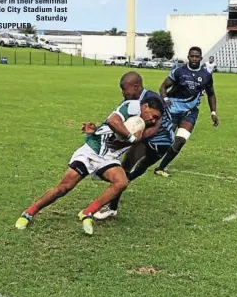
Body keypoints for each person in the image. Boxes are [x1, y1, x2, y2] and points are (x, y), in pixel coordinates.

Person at [15, 96, 164, 235]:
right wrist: (130, 137)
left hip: (109, 158)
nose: (152, 120)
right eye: (153, 116)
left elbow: (124, 132)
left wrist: (98, 129)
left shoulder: (144, 124)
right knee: (63, 188)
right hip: (92, 151)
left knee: (121, 182)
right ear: (145, 106)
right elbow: (113, 121)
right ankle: (28, 213)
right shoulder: (132, 106)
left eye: (156, 119)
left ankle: (87, 213)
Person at [90, 71, 174, 220]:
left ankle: (114, 197)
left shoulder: (153, 99)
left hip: (161, 142)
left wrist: (128, 140)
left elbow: (154, 129)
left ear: (136, 87)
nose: (123, 92)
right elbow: (117, 120)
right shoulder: (131, 103)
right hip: (144, 140)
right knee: (125, 170)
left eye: (124, 88)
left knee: (133, 170)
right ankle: (112, 208)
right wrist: (98, 130)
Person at [154, 46, 218, 178]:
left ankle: (161, 167)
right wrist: (165, 99)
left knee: (181, 140)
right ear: (188, 57)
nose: (194, 59)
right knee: (166, 140)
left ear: (201, 58)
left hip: (190, 111)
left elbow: (211, 94)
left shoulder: (206, 75)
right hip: (173, 110)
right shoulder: (179, 72)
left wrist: (213, 112)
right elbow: (163, 87)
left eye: (197, 56)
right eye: (192, 56)